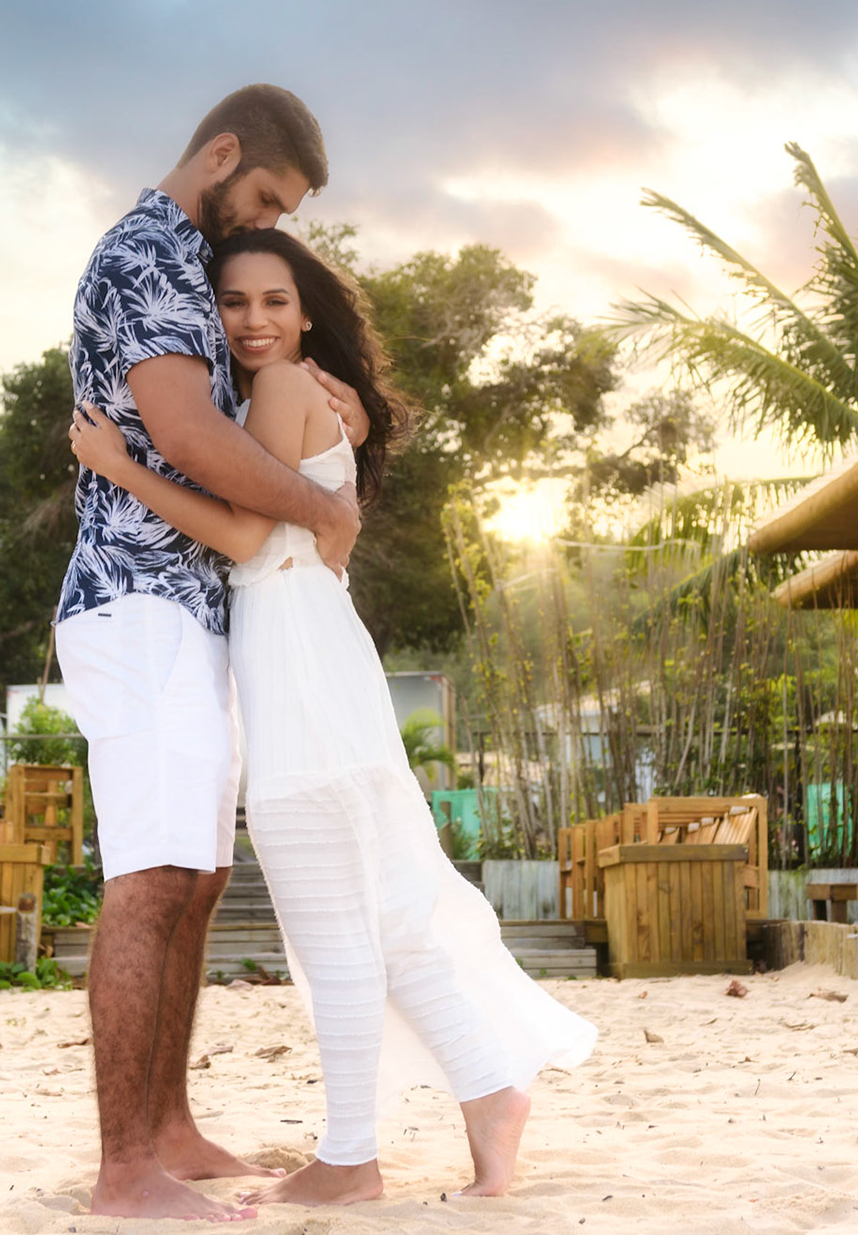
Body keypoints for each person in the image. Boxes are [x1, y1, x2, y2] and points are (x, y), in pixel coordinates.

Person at [69, 227, 597, 1206]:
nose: (254, 319)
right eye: (233, 303)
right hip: (314, 653)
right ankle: (487, 1087)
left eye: (274, 300)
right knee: (373, 914)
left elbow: (247, 531)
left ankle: (353, 1152)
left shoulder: (277, 390)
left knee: (330, 917)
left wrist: (119, 466)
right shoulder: (296, 393)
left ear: (306, 310)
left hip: (303, 664)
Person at [54, 84, 362, 1223]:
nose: (267, 219)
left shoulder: (189, 263)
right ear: (222, 153)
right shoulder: (148, 253)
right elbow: (185, 434)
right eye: (268, 196)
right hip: (135, 603)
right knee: (152, 874)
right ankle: (123, 1163)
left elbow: (230, 417)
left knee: (200, 869)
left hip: (191, 606)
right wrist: (319, 510)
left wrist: (329, 419)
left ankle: (168, 1125)